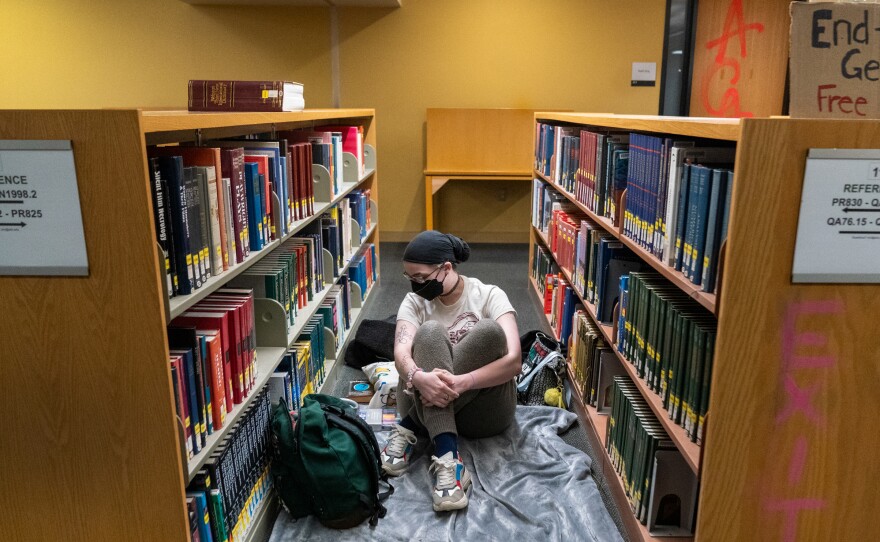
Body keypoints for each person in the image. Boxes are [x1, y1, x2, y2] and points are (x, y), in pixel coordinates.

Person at [381, 230, 521, 512]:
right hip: (421, 393)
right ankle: (449, 459)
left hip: (484, 409)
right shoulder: (415, 302)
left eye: (421, 277)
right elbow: (401, 353)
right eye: (410, 278)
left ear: (446, 268)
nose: (415, 284)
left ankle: (409, 426)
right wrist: (419, 377)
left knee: (491, 332)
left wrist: (462, 382)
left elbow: (514, 360)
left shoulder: (489, 295)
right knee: (430, 332)